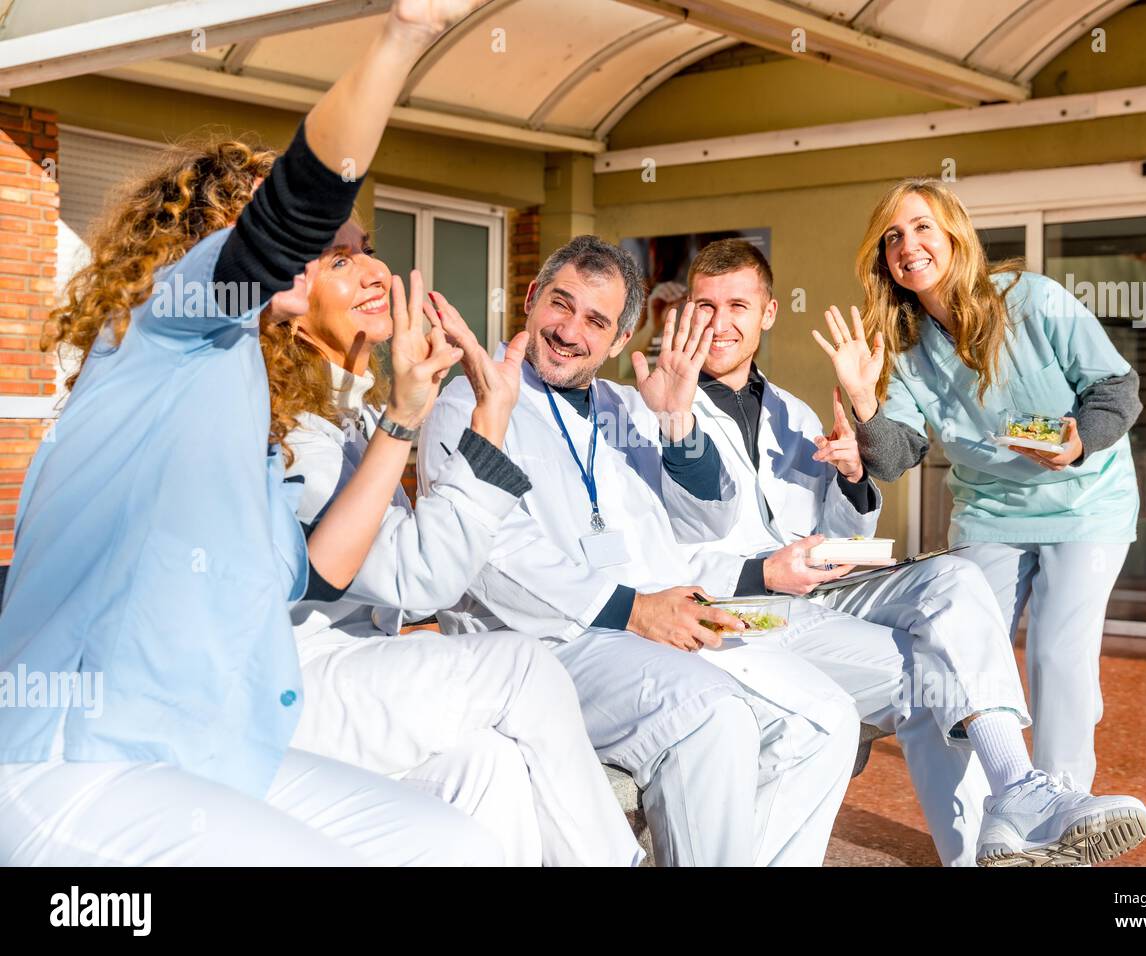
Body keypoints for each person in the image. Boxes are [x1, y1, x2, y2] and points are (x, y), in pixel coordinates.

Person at [0, 0, 507, 866]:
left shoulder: (247, 406)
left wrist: (407, 413)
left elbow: (316, 569)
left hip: (209, 760)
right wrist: (404, 35)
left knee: (458, 846)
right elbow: (289, 216)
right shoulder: (164, 329)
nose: (334, 259)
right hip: (80, 764)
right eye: (325, 249)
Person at [681, 237, 1146, 866]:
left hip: (821, 597)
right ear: (682, 313)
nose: (720, 323)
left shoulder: (791, 413)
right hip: (736, 612)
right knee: (937, 677)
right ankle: (1010, 821)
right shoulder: (652, 414)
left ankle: (1019, 801)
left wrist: (852, 476)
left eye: (738, 305)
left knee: (958, 592)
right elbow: (649, 552)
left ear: (767, 313)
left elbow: (841, 521)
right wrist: (757, 567)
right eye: (705, 306)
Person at [421, 235, 864, 867]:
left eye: (596, 321)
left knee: (827, 719)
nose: (569, 331)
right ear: (530, 297)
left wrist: (680, 422)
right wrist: (632, 609)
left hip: (659, 623)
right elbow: (490, 557)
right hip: (547, 643)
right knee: (714, 718)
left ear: (620, 340)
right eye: (560, 304)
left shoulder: (626, 407)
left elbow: (706, 519)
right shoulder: (473, 400)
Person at [267, 220, 641, 866]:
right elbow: (418, 573)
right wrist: (488, 425)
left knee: (490, 768)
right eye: (338, 262)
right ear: (294, 309)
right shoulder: (298, 429)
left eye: (369, 254)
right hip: (297, 686)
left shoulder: (351, 413)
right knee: (525, 670)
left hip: (354, 669)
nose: (373, 273)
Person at [828, 177, 1144, 801]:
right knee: (963, 653)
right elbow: (898, 457)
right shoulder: (901, 341)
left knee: (1057, 658)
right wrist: (864, 405)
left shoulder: (1033, 298)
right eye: (892, 236)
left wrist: (1078, 441)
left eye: (922, 227)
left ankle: (1060, 805)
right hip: (989, 509)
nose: (908, 245)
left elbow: (1117, 390)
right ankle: (982, 809)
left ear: (955, 235)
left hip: (1086, 504)